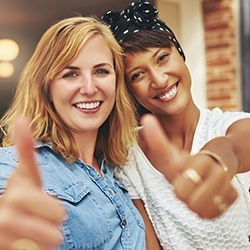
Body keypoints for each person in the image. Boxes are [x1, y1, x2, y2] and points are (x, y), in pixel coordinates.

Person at [0, 16, 161, 250]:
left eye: (101, 71)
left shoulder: (120, 168)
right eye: (70, 74)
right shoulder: (15, 165)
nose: (89, 88)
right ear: (47, 87)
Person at [102, 0, 250, 249]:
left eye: (162, 58)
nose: (159, 80)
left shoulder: (232, 125)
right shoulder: (127, 156)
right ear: (129, 91)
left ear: (180, 55)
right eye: (138, 75)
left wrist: (215, 160)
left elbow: (234, 146)